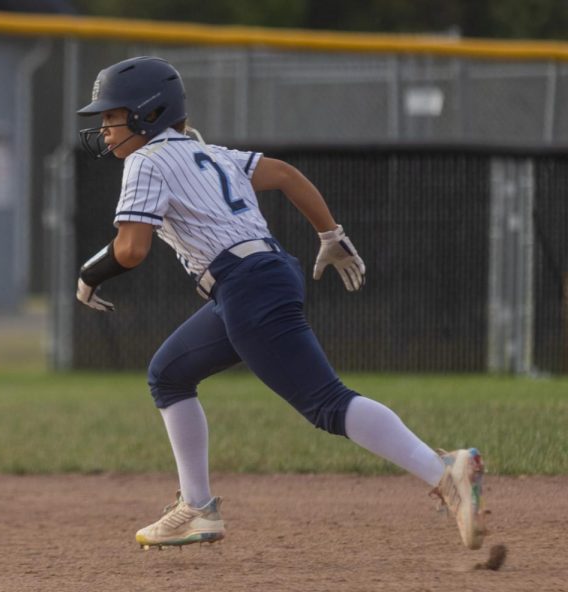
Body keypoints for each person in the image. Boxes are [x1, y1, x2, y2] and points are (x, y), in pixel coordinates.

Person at [74, 56, 486, 551]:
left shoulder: (145, 160)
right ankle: (197, 509)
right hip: (259, 276)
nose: (105, 127)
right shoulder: (211, 154)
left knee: (326, 403)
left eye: (111, 115)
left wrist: (89, 274)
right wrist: (330, 234)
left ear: (147, 113)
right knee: (168, 374)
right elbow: (287, 175)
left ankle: (445, 472)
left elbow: (131, 249)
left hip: (246, 284)